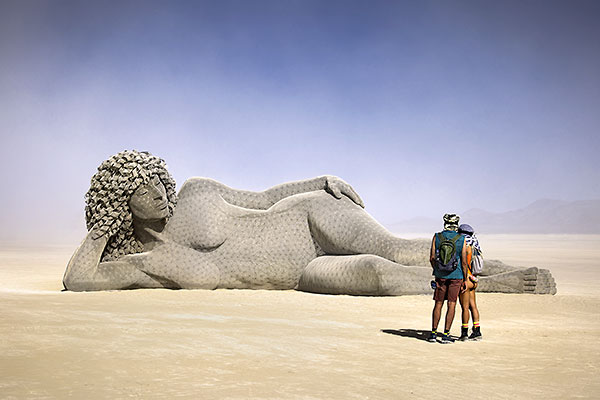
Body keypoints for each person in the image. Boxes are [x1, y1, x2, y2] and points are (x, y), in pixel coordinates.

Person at [63, 150, 557, 296]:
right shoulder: (148, 265)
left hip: (305, 221)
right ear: (120, 203)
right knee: (378, 277)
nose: (156, 188)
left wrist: (319, 181)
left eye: (155, 177)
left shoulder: (196, 193)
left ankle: (493, 265)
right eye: (140, 187)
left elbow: (260, 197)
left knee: (398, 251)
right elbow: (78, 279)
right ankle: (496, 286)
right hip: (298, 278)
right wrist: (102, 225)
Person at [428, 214, 468, 344]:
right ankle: (446, 335)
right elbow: (463, 262)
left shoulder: (437, 237)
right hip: (456, 276)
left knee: (438, 303)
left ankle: (433, 334)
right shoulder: (461, 239)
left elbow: (432, 257)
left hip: (441, 276)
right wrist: (465, 278)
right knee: (451, 304)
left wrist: (437, 270)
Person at [458, 223, 482, 341]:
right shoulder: (475, 247)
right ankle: (477, 331)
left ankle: (464, 333)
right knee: (473, 306)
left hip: (466, 279)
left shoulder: (465, 247)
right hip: (473, 279)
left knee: (465, 307)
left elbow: (463, 264)